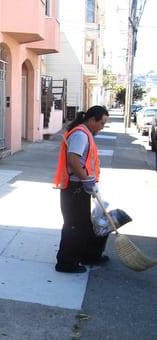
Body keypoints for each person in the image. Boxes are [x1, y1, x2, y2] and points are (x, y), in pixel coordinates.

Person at [54, 105, 110, 273]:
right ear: (92, 120)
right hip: (75, 187)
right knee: (74, 226)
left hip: (79, 186)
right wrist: (86, 180)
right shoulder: (80, 134)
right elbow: (73, 159)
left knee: (82, 225)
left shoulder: (85, 133)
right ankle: (66, 263)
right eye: (102, 123)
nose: (102, 126)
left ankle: (85, 256)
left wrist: (89, 181)